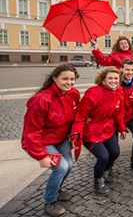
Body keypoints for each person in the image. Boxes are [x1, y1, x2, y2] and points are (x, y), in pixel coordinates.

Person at [21, 64, 80, 216]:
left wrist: (74, 136)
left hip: (60, 139)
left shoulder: (73, 94)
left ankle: (57, 188)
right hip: (40, 141)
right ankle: (50, 202)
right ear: (54, 79)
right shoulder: (41, 100)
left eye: (72, 79)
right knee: (61, 167)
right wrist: (41, 156)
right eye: (65, 79)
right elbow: (32, 131)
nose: (69, 82)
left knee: (69, 165)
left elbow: (74, 118)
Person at [71, 68, 126, 196]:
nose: (113, 81)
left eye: (116, 79)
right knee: (103, 156)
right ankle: (98, 181)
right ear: (104, 79)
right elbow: (80, 116)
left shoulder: (119, 93)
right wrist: (77, 136)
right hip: (91, 132)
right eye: (110, 78)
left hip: (107, 129)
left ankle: (105, 172)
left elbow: (119, 114)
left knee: (115, 152)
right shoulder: (93, 93)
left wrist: (122, 128)